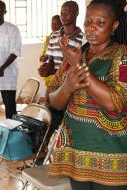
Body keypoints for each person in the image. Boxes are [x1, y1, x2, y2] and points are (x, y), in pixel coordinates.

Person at [47, 0, 127, 189]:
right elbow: (53, 100)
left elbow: (115, 103)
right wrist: (67, 87)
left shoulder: (122, 56)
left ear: (114, 25)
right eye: (87, 22)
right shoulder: (77, 54)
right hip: (77, 156)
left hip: (112, 158)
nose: (91, 28)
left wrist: (79, 66)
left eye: (100, 23)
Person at [38, 1, 86, 143]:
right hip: (54, 89)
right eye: (62, 12)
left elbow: (77, 67)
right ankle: (41, 157)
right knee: (47, 124)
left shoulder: (83, 40)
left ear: (77, 13)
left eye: (68, 12)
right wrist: (46, 70)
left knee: (68, 129)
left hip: (71, 91)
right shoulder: (54, 36)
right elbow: (52, 63)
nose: (63, 15)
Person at [39, 15, 62, 88]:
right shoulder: (49, 37)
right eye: (52, 24)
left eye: (56, 24)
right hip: (49, 72)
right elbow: (46, 53)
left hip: (60, 72)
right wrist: (43, 58)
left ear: (62, 24)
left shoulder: (64, 38)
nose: (54, 26)